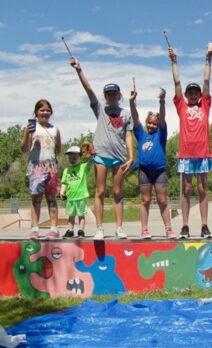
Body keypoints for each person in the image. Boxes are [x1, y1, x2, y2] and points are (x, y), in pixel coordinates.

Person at [71, 57, 134, 240]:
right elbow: (88, 90)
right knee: (100, 191)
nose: (112, 96)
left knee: (117, 192)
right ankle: (99, 228)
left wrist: (131, 157)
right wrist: (79, 70)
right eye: (108, 94)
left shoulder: (126, 114)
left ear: (119, 95)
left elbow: (128, 135)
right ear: (105, 96)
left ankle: (119, 227)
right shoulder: (99, 109)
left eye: (114, 94)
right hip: (101, 155)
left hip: (119, 157)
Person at [169, 44, 212, 239]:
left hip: (203, 154)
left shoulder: (205, 104)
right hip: (186, 154)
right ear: (187, 95)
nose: (194, 94)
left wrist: (208, 59)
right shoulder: (182, 106)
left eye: (196, 92)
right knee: (187, 189)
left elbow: (206, 80)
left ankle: (204, 225)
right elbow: (177, 82)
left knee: (202, 188)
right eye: (191, 92)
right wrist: (174, 62)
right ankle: (185, 225)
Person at [129, 87, 175, 239]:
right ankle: (144, 229)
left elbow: (162, 119)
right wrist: (132, 102)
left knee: (162, 200)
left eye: (154, 124)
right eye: (149, 123)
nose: (152, 126)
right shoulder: (141, 134)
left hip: (159, 171)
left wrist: (162, 102)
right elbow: (135, 119)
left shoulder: (161, 135)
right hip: (145, 172)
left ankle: (168, 229)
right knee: (145, 200)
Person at [20, 99, 62, 239]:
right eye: (42, 110)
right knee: (36, 198)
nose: (45, 113)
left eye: (47, 110)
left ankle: (54, 228)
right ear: (36, 112)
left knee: (51, 199)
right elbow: (24, 149)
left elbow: (59, 148)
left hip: (51, 166)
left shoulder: (55, 129)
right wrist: (27, 134)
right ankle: (35, 229)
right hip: (36, 166)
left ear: (51, 112)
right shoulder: (31, 128)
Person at [60, 143, 94, 239]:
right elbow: (64, 183)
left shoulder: (83, 167)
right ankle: (70, 231)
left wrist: (91, 153)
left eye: (75, 155)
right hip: (70, 197)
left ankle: (81, 231)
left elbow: (90, 162)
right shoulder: (66, 170)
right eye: (70, 156)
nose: (72, 158)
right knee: (70, 215)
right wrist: (62, 192)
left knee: (81, 215)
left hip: (81, 196)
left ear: (79, 156)